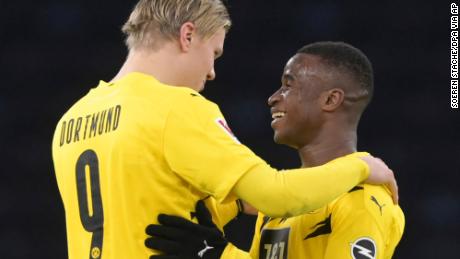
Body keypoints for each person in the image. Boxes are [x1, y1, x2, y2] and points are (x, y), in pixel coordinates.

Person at [51, 0, 397, 257]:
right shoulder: (177, 108)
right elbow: (273, 193)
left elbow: (154, 202)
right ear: (188, 35)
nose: (212, 71)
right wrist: (363, 166)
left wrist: (230, 212)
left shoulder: (71, 121)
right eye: (213, 53)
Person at [144, 42, 405, 259]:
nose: (273, 98)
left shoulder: (361, 199)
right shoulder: (278, 203)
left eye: (288, 85)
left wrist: (222, 256)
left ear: (330, 100)